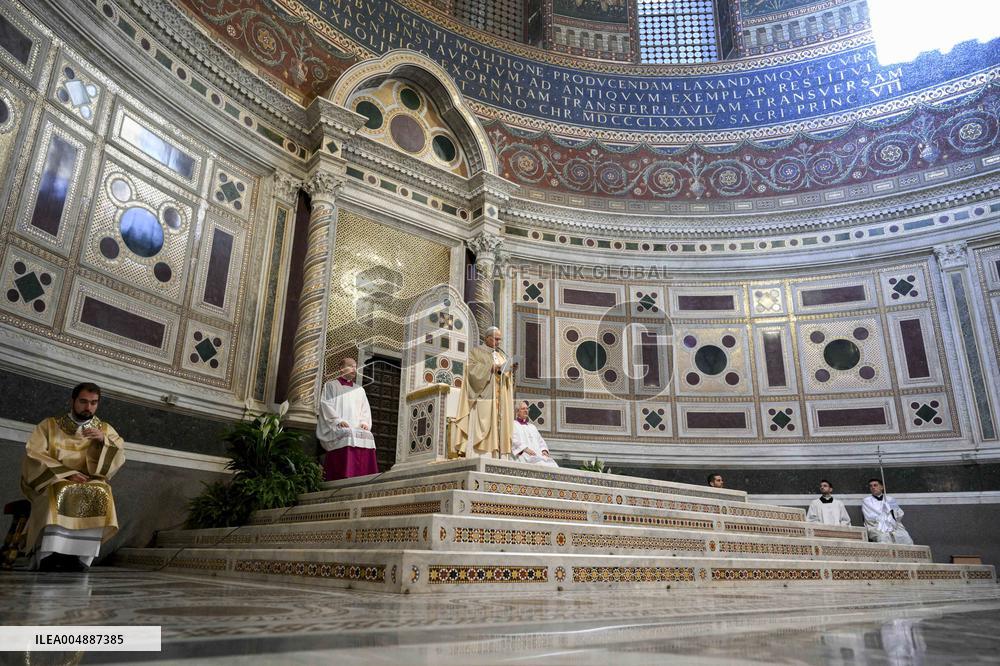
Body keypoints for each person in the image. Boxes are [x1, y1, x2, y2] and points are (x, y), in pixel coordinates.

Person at [20, 382, 125, 571]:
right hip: (55, 478)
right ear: (73, 401)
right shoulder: (49, 426)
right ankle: (49, 554)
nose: (88, 407)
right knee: (62, 489)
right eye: (83, 402)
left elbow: (118, 455)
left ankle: (81, 557)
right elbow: (34, 454)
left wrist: (104, 442)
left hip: (89, 480)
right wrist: (67, 474)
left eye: (93, 403)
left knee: (101, 490)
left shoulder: (104, 429)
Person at [451, 326, 515, 459]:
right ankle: (480, 455)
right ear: (487, 338)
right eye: (496, 339)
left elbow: (503, 375)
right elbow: (470, 371)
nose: (498, 342)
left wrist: (509, 370)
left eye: (499, 340)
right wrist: (489, 368)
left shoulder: (500, 356)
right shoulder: (476, 352)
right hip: (483, 397)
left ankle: (497, 455)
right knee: (483, 424)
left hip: (499, 399)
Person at [317, 358, 376, 480]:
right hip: (337, 426)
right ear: (341, 368)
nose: (354, 369)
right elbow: (326, 405)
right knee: (348, 434)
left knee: (368, 435)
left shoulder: (360, 390)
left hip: (355, 427)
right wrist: (338, 421)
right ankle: (346, 475)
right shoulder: (331, 386)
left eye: (355, 366)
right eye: (350, 366)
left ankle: (365, 476)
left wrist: (364, 423)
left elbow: (365, 409)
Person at [862, 478, 913, 544]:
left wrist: (891, 511)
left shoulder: (890, 499)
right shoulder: (867, 501)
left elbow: (899, 514)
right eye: (871, 486)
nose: (873, 487)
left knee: (905, 536)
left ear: (882, 487)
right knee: (883, 537)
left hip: (893, 526)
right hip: (876, 527)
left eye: (875, 485)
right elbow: (869, 517)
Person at [511, 401, 558, 467]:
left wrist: (544, 450)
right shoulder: (513, 424)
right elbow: (513, 439)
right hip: (524, 454)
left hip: (536, 455)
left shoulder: (532, 427)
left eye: (527, 409)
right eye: (523, 409)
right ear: (517, 411)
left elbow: (540, 441)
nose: (526, 411)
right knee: (540, 465)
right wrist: (525, 449)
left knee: (553, 465)